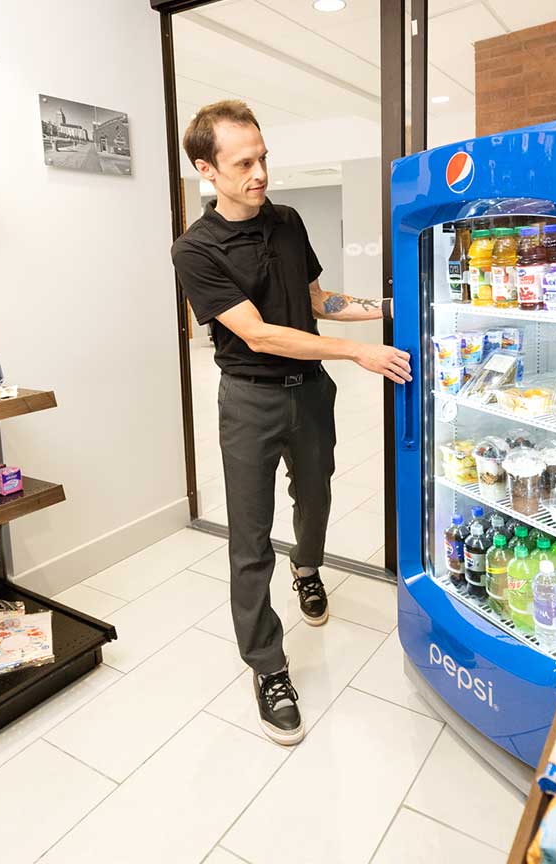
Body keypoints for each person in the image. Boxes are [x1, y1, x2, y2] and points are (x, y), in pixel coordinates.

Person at [171, 100, 412, 746]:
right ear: (207, 168)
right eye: (244, 162)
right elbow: (259, 334)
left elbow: (312, 303)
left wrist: (388, 309)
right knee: (250, 538)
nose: (260, 173)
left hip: (310, 394)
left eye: (264, 157)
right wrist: (357, 352)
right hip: (249, 400)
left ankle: (306, 569)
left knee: (318, 496)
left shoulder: (289, 223)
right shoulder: (194, 250)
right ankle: (269, 667)